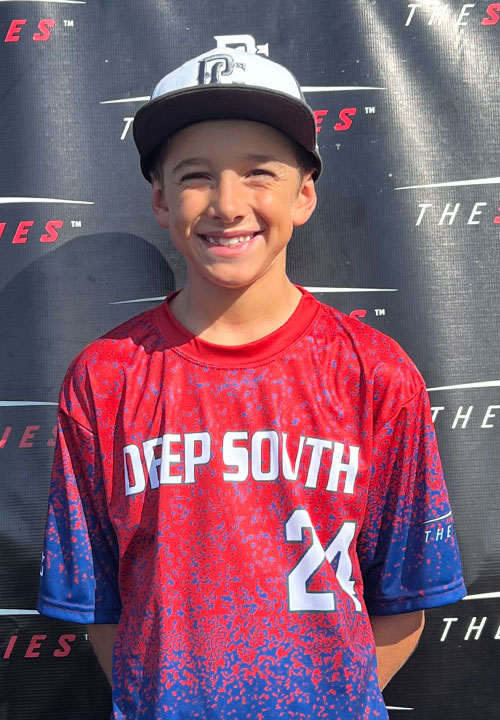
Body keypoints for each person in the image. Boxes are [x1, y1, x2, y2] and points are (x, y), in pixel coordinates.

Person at [38, 47, 466, 719]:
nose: (228, 204)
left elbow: (406, 601)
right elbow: (100, 606)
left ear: (305, 194)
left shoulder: (375, 374)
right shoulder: (105, 378)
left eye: (259, 173)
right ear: (160, 198)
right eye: (196, 176)